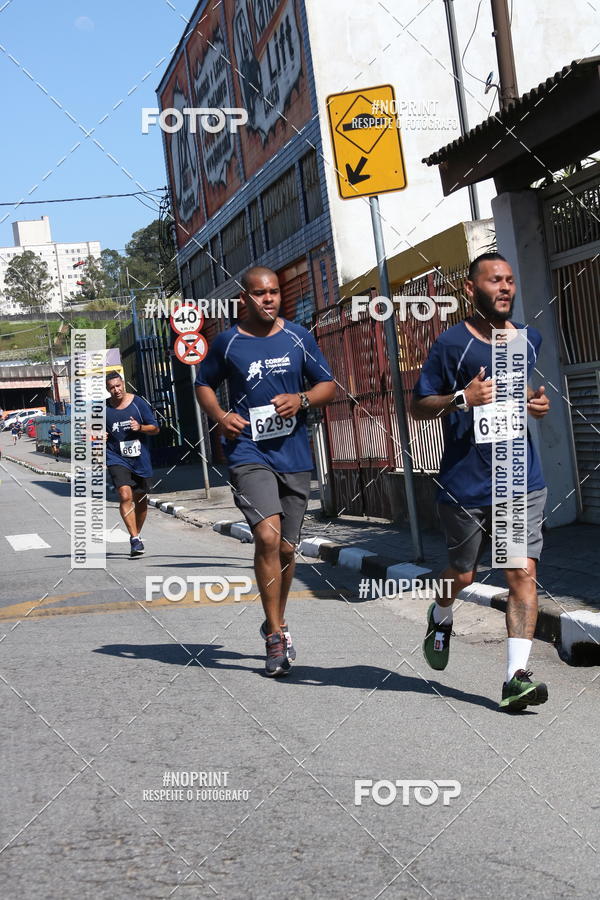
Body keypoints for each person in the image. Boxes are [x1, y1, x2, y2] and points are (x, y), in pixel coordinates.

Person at [411, 253, 551, 712]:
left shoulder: (529, 341)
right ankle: (441, 612)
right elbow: (418, 406)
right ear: (471, 290)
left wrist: (535, 403)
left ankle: (516, 677)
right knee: (464, 573)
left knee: (520, 573)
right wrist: (461, 397)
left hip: (517, 478)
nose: (505, 287)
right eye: (495, 281)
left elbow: (522, 389)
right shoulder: (451, 344)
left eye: (510, 280)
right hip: (465, 483)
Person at [195, 266, 335, 676]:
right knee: (267, 535)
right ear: (245, 298)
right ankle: (276, 636)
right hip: (247, 451)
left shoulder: (299, 337)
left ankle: (277, 617)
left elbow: (327, 384)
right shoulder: (228, 342)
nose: (269, 299)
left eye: (274, 292)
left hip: (293, 454)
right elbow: (203, 383)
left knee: (288, 548)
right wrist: (220, 415)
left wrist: (303, 399)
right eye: (260, 293)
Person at [105, 371, 159, 558]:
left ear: (123, 384)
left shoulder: (138, 403)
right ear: (107, 389)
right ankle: (134, 538)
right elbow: (91, 433)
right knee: (124, 494)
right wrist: (97, 437)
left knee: (141, 500)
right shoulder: (103, 409)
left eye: (118, 386)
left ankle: (137, 533)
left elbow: (155, 428)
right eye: (112, 387)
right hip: (115, 457)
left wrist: (141, 427)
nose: (116, 390)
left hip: (139, 458)